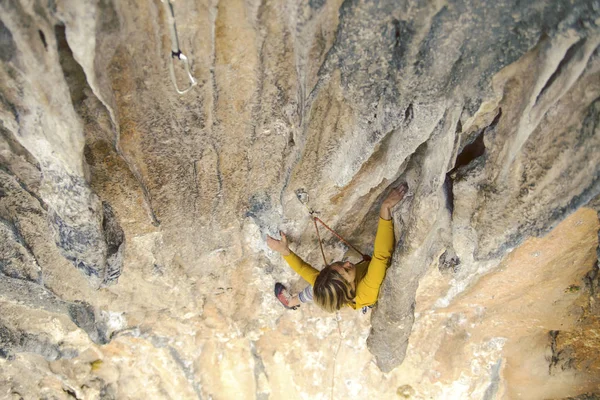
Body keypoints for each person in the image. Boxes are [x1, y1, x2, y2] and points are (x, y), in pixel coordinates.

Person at [266, 183, 407, 313]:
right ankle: (291, 302)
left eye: (340, 264)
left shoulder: (334, 285)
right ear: (348, 286)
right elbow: (381, 257)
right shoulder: (367, 290)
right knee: (319, 290)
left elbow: (304, 269)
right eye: (346, 269)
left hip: (334, 292)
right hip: (359, 293)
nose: (347, 263)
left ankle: (291, 302)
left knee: (318, 288)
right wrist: (386, 206)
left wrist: (284, 251)